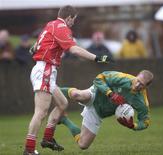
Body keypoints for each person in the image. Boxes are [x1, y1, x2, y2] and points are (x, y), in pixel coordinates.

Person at [23, 5, 111, 155]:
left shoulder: (51, 24)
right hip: (45, 70)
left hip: (45, 69)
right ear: (69, 17)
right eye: (74, 19)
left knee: (62, 103)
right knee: (41, 112)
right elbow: (74, 49)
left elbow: (37, 45)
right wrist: (96, 58)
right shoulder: (62, 27)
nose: (73, 23)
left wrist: (36, 48)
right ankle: (29, 150)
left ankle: (48, 139)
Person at [44, 70, 153, 150]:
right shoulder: (123, 78)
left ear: (146, 87)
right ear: (137, 75)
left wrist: (133, 126)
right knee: (77, 94)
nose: (138, 85)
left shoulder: (141, 100)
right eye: (138, 80)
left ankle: (64, 120)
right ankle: (50, 88)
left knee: (83, 145)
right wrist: (110, 94)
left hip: (98, 113)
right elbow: (99, 78)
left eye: (141, 85)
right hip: (95, 95)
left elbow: (145, 121)